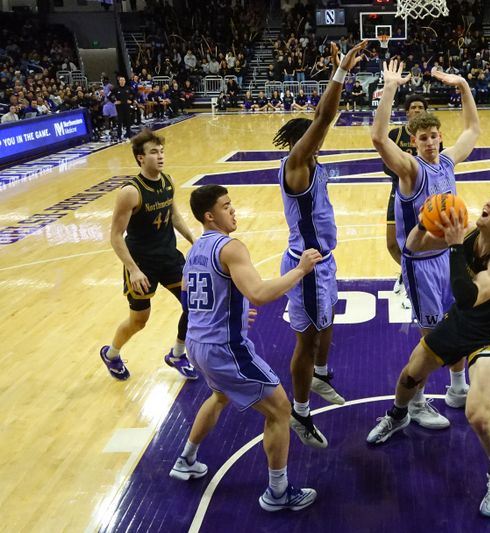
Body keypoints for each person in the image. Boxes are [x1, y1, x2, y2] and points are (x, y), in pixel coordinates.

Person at [366, 185, 490, 519]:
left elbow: (469, 296)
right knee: (411, 373)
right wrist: (426, 221)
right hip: (460, 322)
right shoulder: (470, 234)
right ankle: (398, 416)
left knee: (478, 415)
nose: (488, 203)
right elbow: (412, 248)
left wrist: (454, 247)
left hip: (488, 335)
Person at [169, 184, 322, 512]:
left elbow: (193, 297)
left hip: (197, 344)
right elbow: (260, 294)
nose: (233, 211)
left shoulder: (195, 250)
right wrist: (300, 269)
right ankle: (278, 493)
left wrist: (232, 307)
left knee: (220, 396)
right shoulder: (230, 247)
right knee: (281, 410)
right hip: (224, 348)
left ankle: (186, 459)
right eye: (226, 206)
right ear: (210, 216)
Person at [371, 58, 480, 426]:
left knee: (460, 321)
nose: (431, 143)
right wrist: (390, 89)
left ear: (439, 137)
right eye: (423, 138)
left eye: (434, 136)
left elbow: (473, 130)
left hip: (451, 255)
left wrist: (463, 86)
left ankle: (457, 386)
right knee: (432, 338)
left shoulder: (448, 162)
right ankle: (414, 403)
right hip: (420, 265)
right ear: (414, 142)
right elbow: (378, 138)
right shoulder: (410, 170)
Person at [273, 40, 368, 449]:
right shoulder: (296, 166)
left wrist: (335, 75)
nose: (321, 141)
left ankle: (322, 374)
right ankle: (300, 410)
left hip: (325, 261)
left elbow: (321, 116)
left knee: (326, 324)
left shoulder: (311, 161)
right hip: (307, 265)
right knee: (306, 341)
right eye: (314, 138)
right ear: (304, 143)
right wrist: (341, 74)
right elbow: (325, 118)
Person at [100, 129, 197, 380]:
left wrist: (194, 241)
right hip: (142, 264)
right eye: (154, 152)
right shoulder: (130, 192)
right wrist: (133, 269)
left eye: (161, 151)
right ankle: (111, 354)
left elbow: (173, 215)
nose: (160, 156)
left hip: (170, 258)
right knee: (139, 321)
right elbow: (115, 235)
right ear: (140, 158)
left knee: (194, 305)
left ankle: (177, 353)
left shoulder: (167, 181)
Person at [383, 95, 435, 305]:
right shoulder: (395, 134)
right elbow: (386, 166)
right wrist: (407, 170)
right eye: (413, 107)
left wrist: (413, 167)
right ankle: (406, 273)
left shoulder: (432, 136)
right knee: (392, 244)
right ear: (407, 112)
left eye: (421, 107)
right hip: (400, 191)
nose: (417, 110)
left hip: (426, 194)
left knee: (423, 244)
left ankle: (416, 281)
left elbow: (437, 162)